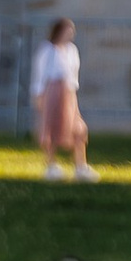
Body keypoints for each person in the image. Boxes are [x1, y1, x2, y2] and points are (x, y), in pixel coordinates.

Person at [31, 19, 94, 183]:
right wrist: (39, 94)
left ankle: (81, 166)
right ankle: (51, 165)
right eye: (68, 30)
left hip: (68, 92)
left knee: (78, 128)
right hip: (52, 90)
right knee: (51, 127)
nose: (71, 33)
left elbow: (73, 74)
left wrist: (72, 92)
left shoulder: (72, 50)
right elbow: (40, 73)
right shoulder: (47, 49)